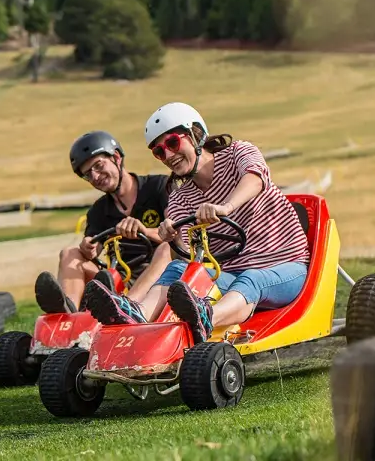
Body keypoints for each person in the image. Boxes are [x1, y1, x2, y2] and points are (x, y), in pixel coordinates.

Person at [80, 102, 310, 344]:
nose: (168, 156)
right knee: (178, 270)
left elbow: (255, 178)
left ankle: (207, 316)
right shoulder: (179, 195)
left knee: (252, 278)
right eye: (159, 152)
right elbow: (189, 256)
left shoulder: (238, 153)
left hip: (286, 268)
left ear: (196, 134)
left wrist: (226, 208)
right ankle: (135, 315)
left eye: (172, 143)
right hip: (231, 275)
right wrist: (173, 238)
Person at [32, 130, 174, 314]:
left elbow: (177, 232)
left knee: (166, 249)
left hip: (163, 271)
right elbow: (93, 249)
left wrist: (145, 231)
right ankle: (68, 316)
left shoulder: (158, 186)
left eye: (98, 166)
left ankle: (129, 306)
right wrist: (88, 249)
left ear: (116, 157)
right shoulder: (98, 211)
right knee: (70, 254)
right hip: (123, 277)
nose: (95, 177)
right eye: (87, 175)